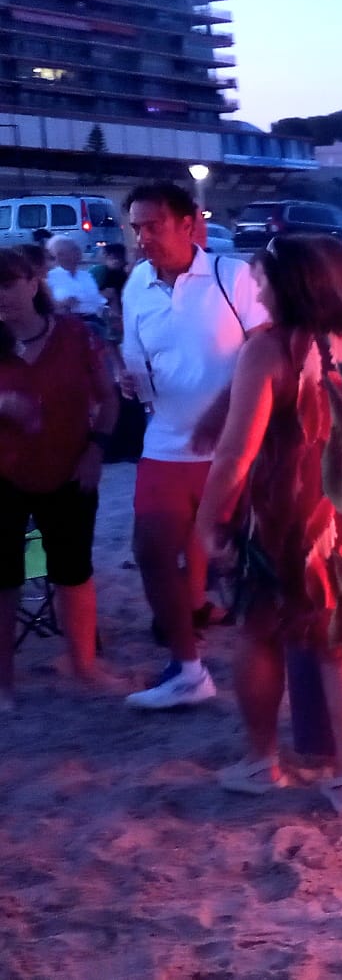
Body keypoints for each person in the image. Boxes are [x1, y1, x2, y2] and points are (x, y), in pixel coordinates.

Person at [194, 234, 342, 814]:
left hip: (286, 514)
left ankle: (262, 760)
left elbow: (235, 453)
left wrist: (208, 521)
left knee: (260, 632)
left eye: (265, 278)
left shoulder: (272, 350)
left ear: (292, 284)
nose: (259, 288)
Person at [120, 181, 267, 709]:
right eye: (136, 227)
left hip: (236, 445)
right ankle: (187, 668)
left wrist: (226, 409)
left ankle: (282, 661)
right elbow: (135, 354)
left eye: (153, 224)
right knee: (151, 550)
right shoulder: (136, 284)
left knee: (251, 562)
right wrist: (129, 378)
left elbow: (264, 350)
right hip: (165, 440)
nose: (142, 237)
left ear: (188, 224)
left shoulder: (234, 276)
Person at [0, 247, 117, 709]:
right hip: (3, 474)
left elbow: (108, 399)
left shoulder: (76, 336)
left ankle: (83, 667)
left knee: (73, 569)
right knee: (3, 577)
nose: (1, 296)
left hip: (70, 465)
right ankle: (3, 684)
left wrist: (96, 449)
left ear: (33, 282)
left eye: (8, 284)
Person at [44, 235, 106, 328]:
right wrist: (62, 304)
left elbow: (98, 301)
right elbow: (44, 307)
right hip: (67, 324)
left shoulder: (85, 275)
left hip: (95, 320)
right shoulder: (50, 278)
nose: (79, 251)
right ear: (60, 255)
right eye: (74, 249)